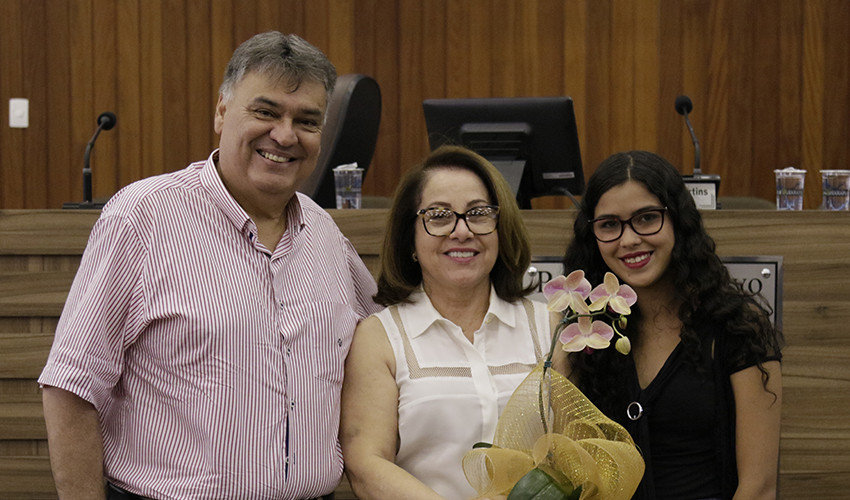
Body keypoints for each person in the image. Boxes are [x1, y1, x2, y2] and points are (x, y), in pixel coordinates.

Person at [39, 31, 379, 500]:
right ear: (222, 112)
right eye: (265, 111)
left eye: (307, 120)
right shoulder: (142, 218)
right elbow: (71, 388)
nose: (284, 135)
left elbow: (383, 348)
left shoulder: (326, 235)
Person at [561, 150, 783, 500]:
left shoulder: (738, 327)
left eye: (647, 218)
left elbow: (758, 488)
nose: (629, 239)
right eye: (609, 225)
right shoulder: (587, 332)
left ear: (678, 220)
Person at [340, 145, 555, 500]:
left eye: (478, 213)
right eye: (439, 216)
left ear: (500, 228)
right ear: (411, 238)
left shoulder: (549, 326)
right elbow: (366, 463)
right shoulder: (379, 338)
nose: (462, 231)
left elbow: (574, 452)